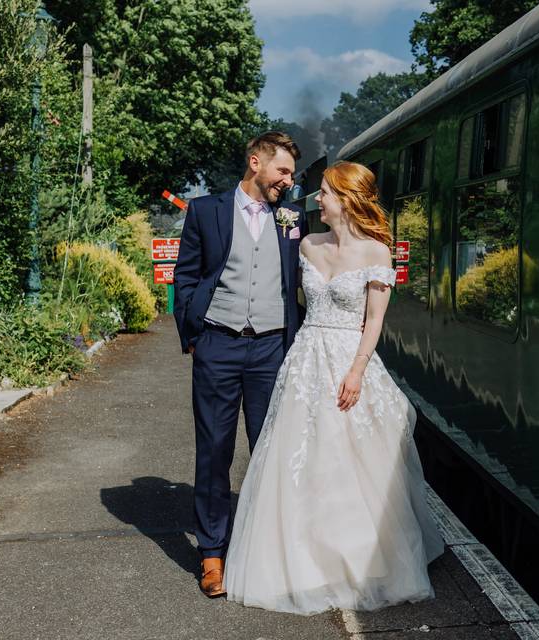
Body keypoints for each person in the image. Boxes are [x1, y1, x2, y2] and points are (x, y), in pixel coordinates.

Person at [224, 161, 444, 614]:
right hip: (305, 359)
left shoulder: (377, 254)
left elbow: (375, 318)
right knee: (301, 456)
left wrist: (357, 371)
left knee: (353, 461)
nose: (316, 198)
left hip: (349, 358)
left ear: (346, 198)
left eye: (323, 192)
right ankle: (306, 562)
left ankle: (361, 560)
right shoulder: (306, 245)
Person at [172, 131, 307, 598]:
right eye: (283, 171)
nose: (288, 181)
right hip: (218, 345)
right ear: (256, 162)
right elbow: (186, 276)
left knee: (271, 449)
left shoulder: (292, 216)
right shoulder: (206, 210)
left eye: (290, 174)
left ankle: (267, 549)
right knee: (214, 451)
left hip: (271, 349)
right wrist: (193, 335)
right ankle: (212, 554)